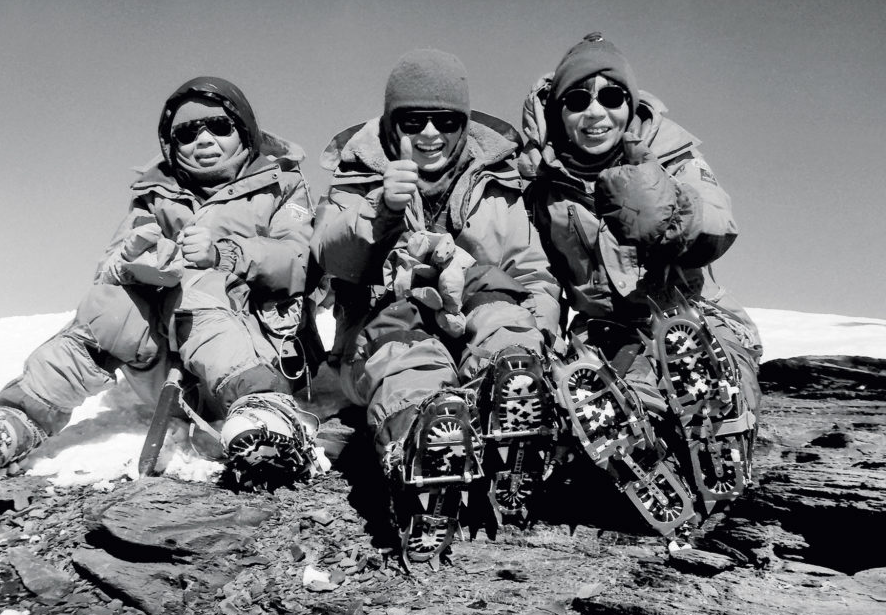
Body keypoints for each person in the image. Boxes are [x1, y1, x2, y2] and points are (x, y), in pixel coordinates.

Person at [0, 76, 322, 485]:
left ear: (244, 131)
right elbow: (108, 271)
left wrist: (224, 254)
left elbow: (299, 262)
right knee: (110, 305)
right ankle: (15, 420)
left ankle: (265, 410)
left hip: (261, 353)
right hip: (174, 368)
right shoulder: (152, 196)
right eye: (187, 132)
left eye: (219, 127)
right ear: (171, 145)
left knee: (199, 285)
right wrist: (129, 260)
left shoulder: (284, 185)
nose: (203, 140)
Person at [311, 48, 562, 567]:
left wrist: (543, 333)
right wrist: (382, 209)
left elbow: (531, 271)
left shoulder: (500, 181)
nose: (430, 133)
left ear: (464, 124)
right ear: (389, 121)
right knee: (405, 354)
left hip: (474, 316)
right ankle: (419, 454)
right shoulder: (358, 175)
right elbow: (330, 253)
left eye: (445, 120)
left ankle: (516, 383)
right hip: (387, 326)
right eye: (412, 119)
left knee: (495, 294)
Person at [519, 33, 762, 543]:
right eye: (577, 100)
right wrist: (538, 331)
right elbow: (538, 271)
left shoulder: (671, 153)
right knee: (597, 405)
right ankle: (657, 470)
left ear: (630, 105)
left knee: (709, 364)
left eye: (612, 97)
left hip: (690, 314)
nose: (595, 113)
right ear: (558, 111)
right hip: (609, 332)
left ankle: (721, 437)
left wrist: (669, 207)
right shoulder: (540, 184)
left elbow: (720, 222)